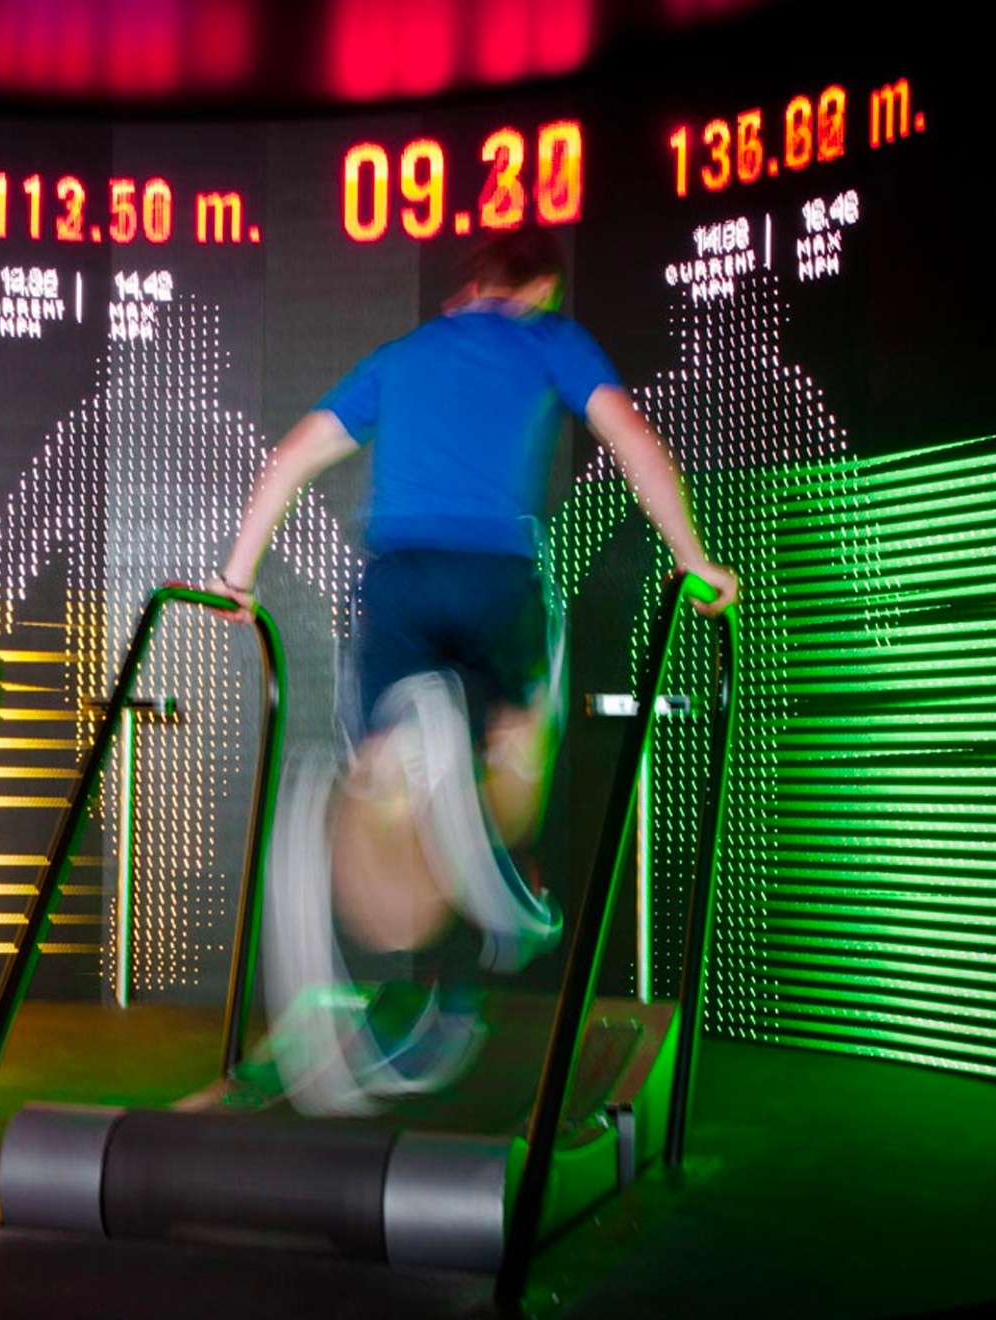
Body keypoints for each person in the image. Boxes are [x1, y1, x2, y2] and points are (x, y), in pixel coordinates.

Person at [210, 232, 738, 1099]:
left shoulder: (403, 354)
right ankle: (492, 863)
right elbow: (636, 446)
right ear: (538, 293)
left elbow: (289, 458)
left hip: (399, 587)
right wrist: (694, 558)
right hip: (497, 581)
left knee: (385, 767)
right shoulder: (549, 339)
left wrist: (236, 578)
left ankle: (385, 778)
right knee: (525, 733)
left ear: (469, 287)